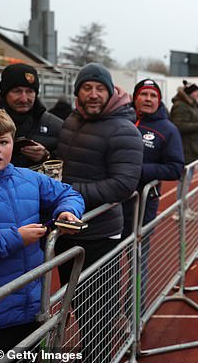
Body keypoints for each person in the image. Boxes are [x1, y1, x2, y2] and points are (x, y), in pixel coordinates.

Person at [54, 63, 143, 362]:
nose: (93, 95)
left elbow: (123, 185)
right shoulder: (71, 121)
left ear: (110, 92)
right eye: (87, 88)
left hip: (99, 234)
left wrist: (67, 192)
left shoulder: (124, 130)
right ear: (77, 91)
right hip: (67, 229)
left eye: (99, 89)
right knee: (71, 304)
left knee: (98, 316)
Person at [0, 106, 84, 356]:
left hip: (31, 308)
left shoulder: (28, 178)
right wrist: (15, 238)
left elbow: (68, 192)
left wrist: (66, 212)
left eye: (3, 141)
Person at [121, 79, 184, 310]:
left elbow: (176, 168)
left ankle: (134, 315)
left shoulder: (168, 129)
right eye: (144, 94)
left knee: (137, 261)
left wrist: (138, 171)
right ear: (135, 97)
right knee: (106, 266)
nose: (148, 99)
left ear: (159, 100)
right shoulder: (121, 121)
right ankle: (106, 319)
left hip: (142, 206)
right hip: (113, 205)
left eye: (153, 95)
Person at [0, 63, 63, 168]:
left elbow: (69, 165)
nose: (24, 99)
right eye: (17, 91)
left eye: (29, 91)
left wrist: (46, 157)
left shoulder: (56, 126)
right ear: (5, 93)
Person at [170, 80, 198, 164]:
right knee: (186, 174)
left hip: (192, 147)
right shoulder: (180, 106)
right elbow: (179, 125)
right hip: (187, 148)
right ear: (190, 93)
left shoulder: (192, 105)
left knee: (189, 173)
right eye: (196, 91)